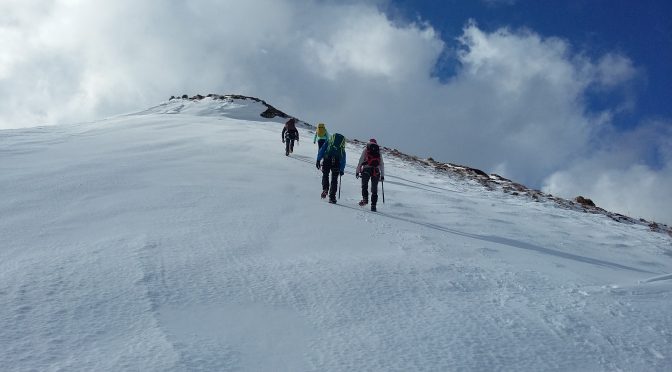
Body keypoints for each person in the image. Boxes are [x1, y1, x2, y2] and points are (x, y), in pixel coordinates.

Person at [316, 133, 347, 204]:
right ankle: (332, 197)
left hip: (327, 159)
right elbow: (343, 158)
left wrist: (318, 160)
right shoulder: (341, 146)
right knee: (334, 179)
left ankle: (325, 189)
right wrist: (342, 169)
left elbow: (322, 149)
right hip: (336, 162)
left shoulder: (329, 141)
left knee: (325, 175)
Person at [356, 138, 384, 211]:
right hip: (376, 170)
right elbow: (381, 164)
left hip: (366, 169)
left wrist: (357, 171)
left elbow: (361, 160)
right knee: (374, 189)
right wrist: (382, 175)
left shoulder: (366, 149)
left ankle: (365, 199)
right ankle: (373, 206)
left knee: (364, 185)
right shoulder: (378, 151)